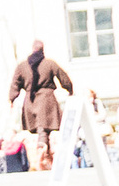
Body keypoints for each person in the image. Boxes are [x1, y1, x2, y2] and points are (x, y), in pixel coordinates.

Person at [8, 41, 72, 171]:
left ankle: (41, 155)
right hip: (46, 101)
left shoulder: (22, 66)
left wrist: (11, 98)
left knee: (40, 129)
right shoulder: (49, 64)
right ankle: (43, 153)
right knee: (44, 129)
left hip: (31, 102)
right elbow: (63, 77)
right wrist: (70, 90)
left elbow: (15, 84)